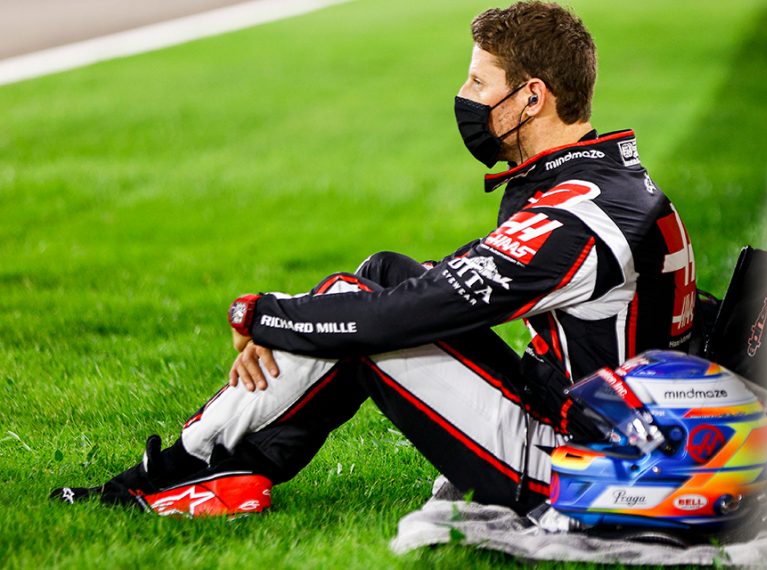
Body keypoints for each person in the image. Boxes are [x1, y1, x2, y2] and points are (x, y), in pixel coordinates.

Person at [52, 0, 699, 515]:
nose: (464, 95)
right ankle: (222, 470)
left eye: (479, 82)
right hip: (606, 427)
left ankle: (168, 475)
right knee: (383, 273)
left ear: (532, 97)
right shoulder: (601, 180)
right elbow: (438, 286)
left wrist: (266, 315)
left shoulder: (572, 218)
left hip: (584, 465)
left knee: (358, 310)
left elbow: (411, 314)